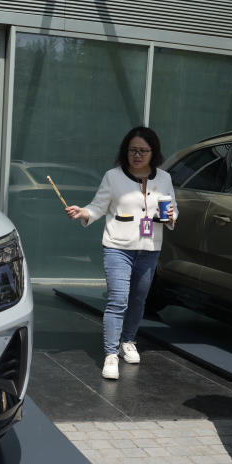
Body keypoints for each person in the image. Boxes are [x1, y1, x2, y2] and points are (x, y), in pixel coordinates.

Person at [65, 126, 178, 380]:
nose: (137, 155)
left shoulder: (164, 179)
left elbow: (172, 209)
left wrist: (171, 216)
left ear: (153, 152)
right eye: (132, 150)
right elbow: (97, 206)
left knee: (139, 300)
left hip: (149, 248)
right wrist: (84, 213)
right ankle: (110, 354)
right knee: (118, 300)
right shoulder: (113, 177)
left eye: (142, 151)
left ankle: (128, 341)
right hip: (118, 247)